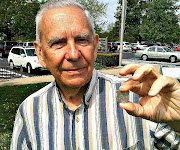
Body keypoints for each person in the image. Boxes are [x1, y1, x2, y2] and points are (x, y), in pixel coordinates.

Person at [10, 0, 180, 149]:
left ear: (95, 45)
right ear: (40, 53)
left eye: (82, 40)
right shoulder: (29, 110)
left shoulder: (136, 97)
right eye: (58, 43)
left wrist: (178, 120)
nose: (73, 54)